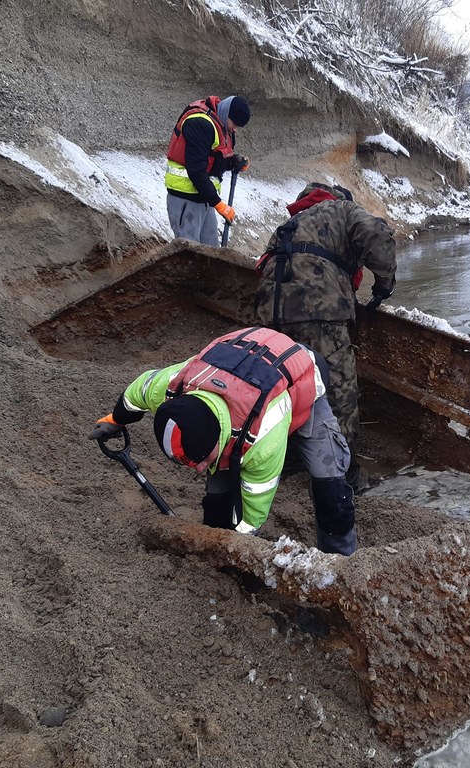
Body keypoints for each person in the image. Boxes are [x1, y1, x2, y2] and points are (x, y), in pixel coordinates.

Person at [89, 326, 358, 555]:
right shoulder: (171, 387)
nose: (198, 469)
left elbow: (253, 515)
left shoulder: (263, 438)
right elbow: (135, 394)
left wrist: (234, 543)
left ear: (219, 437)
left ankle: (340, 559)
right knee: (217, 500)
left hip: (300, 379)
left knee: (331, 489)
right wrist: (115, 420)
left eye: (202, 459)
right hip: (243, 361)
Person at [253, 182, 396, 491]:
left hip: (270, 318)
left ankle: (289, 460)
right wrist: (385, 282)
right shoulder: (340, 209)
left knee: (286, 389)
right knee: (339, 393)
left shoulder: (287, 226)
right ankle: (345, 476)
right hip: (317, 312)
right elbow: (375, 233)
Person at [165, 94, 251, 246]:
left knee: (212, 254)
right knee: (190, 254)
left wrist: (234, 162)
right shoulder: (200, 123)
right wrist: (218, 203)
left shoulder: (222, 125)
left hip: (203, 198)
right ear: (226, 114)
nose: (235, 130)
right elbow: (196, 170)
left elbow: (215, 158)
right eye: (235, 124)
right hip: (185, 198)